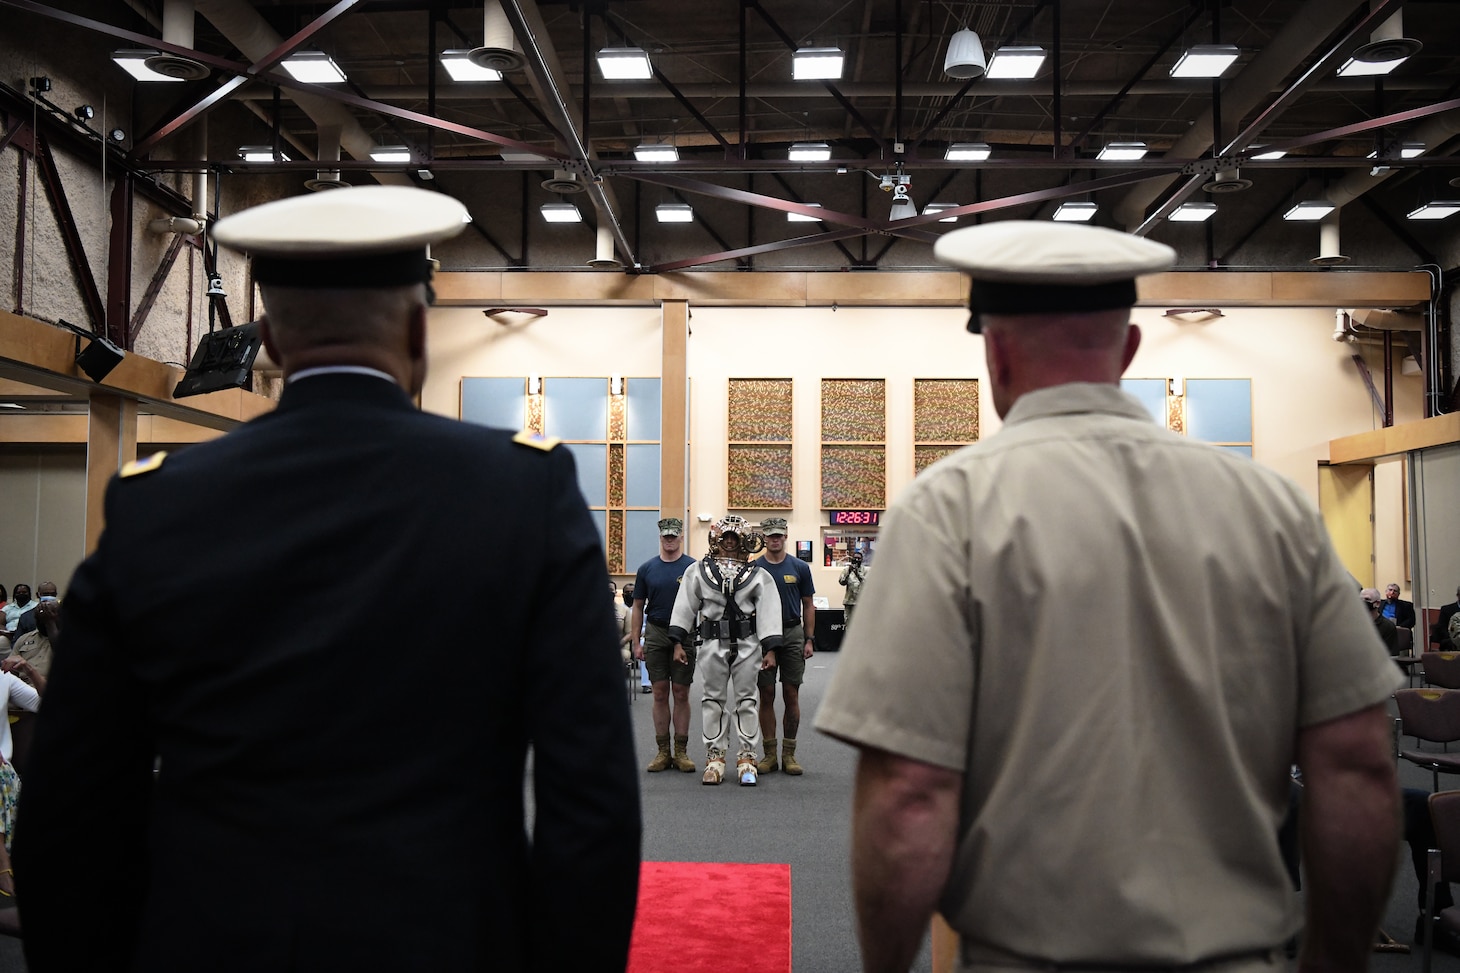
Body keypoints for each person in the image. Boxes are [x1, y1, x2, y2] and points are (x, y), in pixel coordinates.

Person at [13, 186, 641, 973]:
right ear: (418, 332)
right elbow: (593, 798)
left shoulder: (158, 502)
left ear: (269, 339)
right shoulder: (523, 494)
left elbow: (71, 806)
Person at [815, 220, 1402, 973]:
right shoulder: (1274, 508)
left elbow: (909, 792)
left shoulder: (946, 511)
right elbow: (1356, 763)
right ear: (1126, 351)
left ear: (993, 350)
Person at [667, 516, 781, 785]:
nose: (730, 542)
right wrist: (677, 642)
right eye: (725, 537)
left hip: (748, 644)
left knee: (747, 700)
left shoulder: (758, 575)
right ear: (715, 540)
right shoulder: (698, 571)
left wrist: (770, 649)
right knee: (713, 700)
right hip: (712, 643)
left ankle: (747, 758)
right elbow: (685, 605)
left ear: (744, 541)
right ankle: (715, 758)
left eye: (734, 538)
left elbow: (769, 611)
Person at [631, 517, 698, 772]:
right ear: (660, 539)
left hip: (685, 634)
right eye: (665, 537)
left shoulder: (693, 567)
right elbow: (638, 607)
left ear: (681, 537)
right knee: (659, 693)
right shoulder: (647, 569)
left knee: (681, 693)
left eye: (674, 536)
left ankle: (681, 751)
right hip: (657, 632)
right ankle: (663, 752)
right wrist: (637, 642)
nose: (669, 541)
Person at [754, 517, 815, 776]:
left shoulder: (799, 567)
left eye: (779, 534)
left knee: (791, 693)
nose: (775, 539)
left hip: (791, 633)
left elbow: (808, 604)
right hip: (763, 635)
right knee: (766, 694)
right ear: (764, 538)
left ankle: (789, 754)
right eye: (770, 535)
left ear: (786, 536)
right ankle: (769, 755)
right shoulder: (754, 568)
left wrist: (809, 638)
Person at [1363, 587, 1399, 655]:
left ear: (1377, 603)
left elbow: (1390, 654)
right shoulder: (1353, 624)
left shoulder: (1388, 626)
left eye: (1367, 599)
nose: (1363, 602)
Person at [838, 549, 866, 629]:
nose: (856, 560)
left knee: (861, 625)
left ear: (862, 560)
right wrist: (849, 572)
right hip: (849, 602)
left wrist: (857, 573)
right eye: (855, 558)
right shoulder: (846, 570)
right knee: (848, 625)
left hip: (861, 603)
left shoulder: (865, 570)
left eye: (859, 558)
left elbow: (866, 583)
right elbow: (841, 582)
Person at [1432, 584, 1460, 650]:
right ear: (1458, 595)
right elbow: (1442, 628)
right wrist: (1454, 638)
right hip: (1450, 639)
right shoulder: (1447, 610)